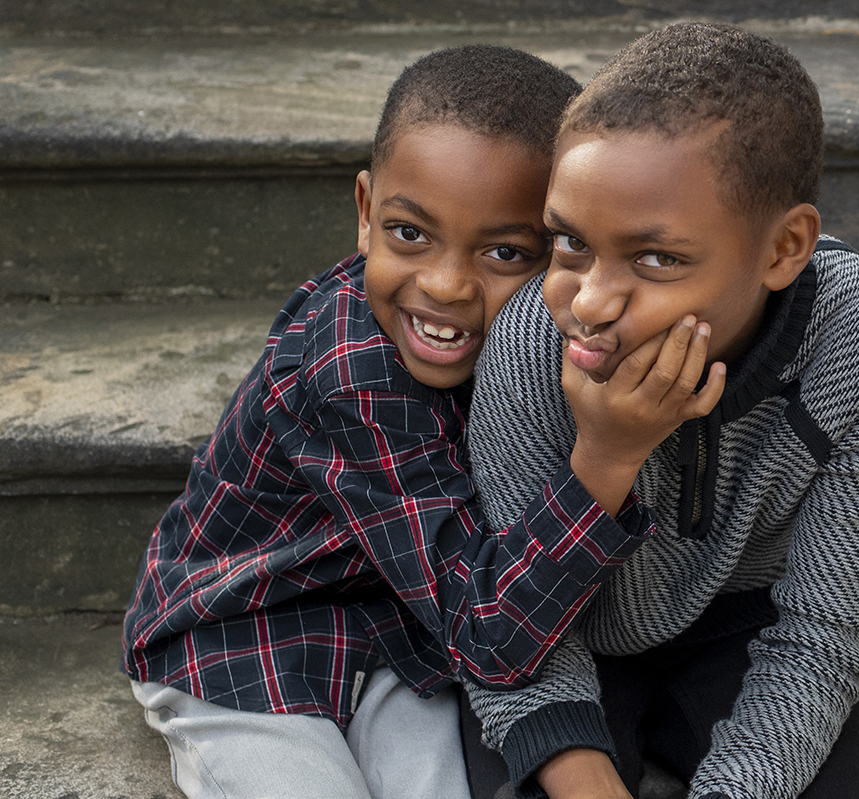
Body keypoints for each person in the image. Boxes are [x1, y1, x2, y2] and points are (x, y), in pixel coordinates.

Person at [121, 44, 725, 799]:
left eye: (507, 251)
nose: (444, 285)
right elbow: (493, 640)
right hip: (247, 637)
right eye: (411, 232)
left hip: (405, 632)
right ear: (367, 212)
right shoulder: (351, 369)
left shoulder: (547, 342)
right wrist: (608, 455)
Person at [459, 22, 859, 799]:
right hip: (560, 630)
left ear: (785, 248)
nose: (592, 300)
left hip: (744, 625)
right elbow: (510, 637)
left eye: (657, 259)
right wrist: (606, 454)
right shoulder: (531, 344)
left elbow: (824, 637)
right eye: (570, 243)